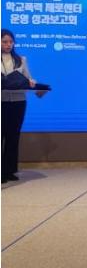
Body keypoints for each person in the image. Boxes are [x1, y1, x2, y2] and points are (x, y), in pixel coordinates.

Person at [1, 29, 39, 184]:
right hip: (1, 101)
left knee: (13, 136)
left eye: (11, 42)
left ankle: (9, 170)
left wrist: (31, 82)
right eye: (4, 41)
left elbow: (28, 78)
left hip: (18, 102)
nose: (8, 44)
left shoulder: (21, 60)